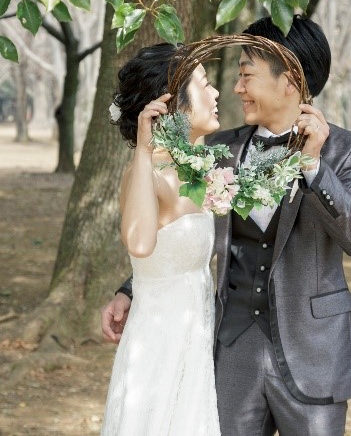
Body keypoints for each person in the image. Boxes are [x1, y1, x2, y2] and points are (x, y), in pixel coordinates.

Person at [102, 16, 351, 436]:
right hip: (232, 351)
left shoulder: (346, 151)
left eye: (246, 74)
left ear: (289, 79)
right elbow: (181, 227)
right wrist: (131, 288)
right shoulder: (218, 149)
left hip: (314, 352)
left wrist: (315, 167)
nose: (236, 88)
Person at [101, 43, 222, 436]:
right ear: (173, 104)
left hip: (193, 343)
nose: (216, 93)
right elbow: (139, 245)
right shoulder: (148, 173)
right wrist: (143, 149)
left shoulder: (198, 166)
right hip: (158, 348)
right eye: (204, 85)